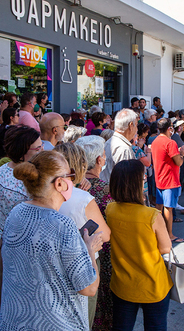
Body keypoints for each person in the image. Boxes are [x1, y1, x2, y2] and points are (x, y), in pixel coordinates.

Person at [0, 151, 102, 330]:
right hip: (57, 323)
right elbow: (89, 288)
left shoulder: (15, 213)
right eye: (70, 174)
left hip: (16, 322)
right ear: (60, 183)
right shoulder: (62, 225)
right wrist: (90, 250)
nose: (73, 180)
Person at [106, 159, 173, 331]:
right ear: (135, 184)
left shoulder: (110, 210)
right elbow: (165, 248)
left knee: (122, 327)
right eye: (142, 178)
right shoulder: (152, 215)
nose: (144, 180)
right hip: (153, 284)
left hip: (122, 284)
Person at [54, 143, 111, 328]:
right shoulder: (82, 198)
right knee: (82, 317)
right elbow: (106, 234)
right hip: (82, 263)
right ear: (80, 166)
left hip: (53, 264)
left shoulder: (44, 194)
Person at [75, 135, 114, 331]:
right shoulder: (105, 190)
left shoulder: (70, 188)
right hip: (102, 256)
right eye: (104, 156)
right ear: (99, 160)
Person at [0, 126, 41, 247]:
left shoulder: (4, 169)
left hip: (2, 240)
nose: (42, 150)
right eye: (38, 148)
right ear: (21, 152)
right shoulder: (25, 181)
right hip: (20, 247)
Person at [151, 118, 184, 243]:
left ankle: (157, 232)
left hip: (159, 178)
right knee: (168, 208)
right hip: (170, 179)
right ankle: (169, 235)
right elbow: (179, 162)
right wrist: (182, 153)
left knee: (159, 207)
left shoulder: (155, 141)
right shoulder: (170, 143)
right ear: (169, 128)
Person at [100, 109, 138, 182]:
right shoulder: (123, 148)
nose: (136, 129)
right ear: (130, 125)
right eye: (136, 125)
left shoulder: (110, 141)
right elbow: (125, 180)